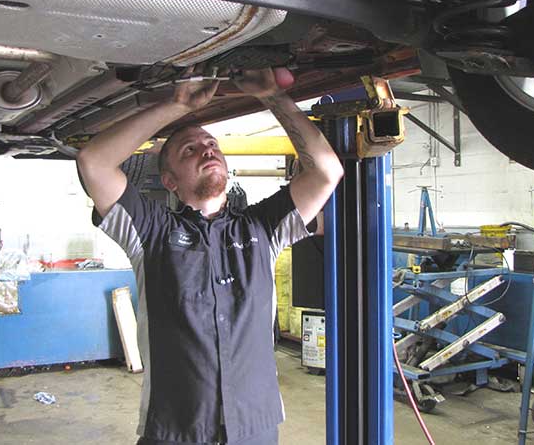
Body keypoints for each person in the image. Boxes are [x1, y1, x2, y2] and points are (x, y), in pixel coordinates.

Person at [77, 66, 343, 445]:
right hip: (176, 431)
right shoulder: (151, 233)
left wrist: (273, 97)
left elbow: (327, 170)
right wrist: (176, 105)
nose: (206, 150)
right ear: (170, 181)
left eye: (212, 146)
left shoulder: (262, 228)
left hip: (255, 429)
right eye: (190, 150)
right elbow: (94, 162)